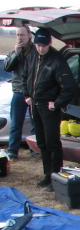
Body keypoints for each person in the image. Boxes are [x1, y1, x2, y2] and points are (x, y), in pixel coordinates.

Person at [22, 28, 77, 191]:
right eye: (38, 45)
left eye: (43, 46)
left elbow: (69, 87)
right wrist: (27, 95)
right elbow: (25, 76)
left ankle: (56, 177)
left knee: (53, 143)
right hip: (35, 104)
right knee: (42, 142)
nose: (40, 49)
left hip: (49, 107)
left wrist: (57, 103)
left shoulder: (57, 60)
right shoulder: (32, 56)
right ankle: (47, 175)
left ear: (50, 43)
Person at [2, 26, 38, 160]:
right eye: (17, 35)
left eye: (22, 35)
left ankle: (35, 150)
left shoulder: (36, 51)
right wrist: (16, 54)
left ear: (29, 35)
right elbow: (7, 67)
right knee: (16, 123)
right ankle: (13, 151)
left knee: (36, 123)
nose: (19, 38)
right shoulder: (14, 52)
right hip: (19, 91)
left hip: (34, 91)